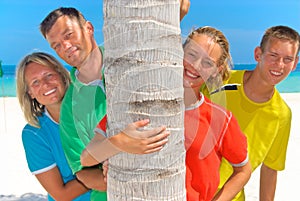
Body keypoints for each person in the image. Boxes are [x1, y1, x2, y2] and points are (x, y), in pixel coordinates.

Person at [39, 7, 170, 200]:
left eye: (69, 35)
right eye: (56, 45)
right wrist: (120, 177)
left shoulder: (128, 57)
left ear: (89, 28)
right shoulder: (69, 108)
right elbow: (81, 171)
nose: (65, 46)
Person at [208, 25, 299, 200]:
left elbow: (270, 169)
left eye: (288, 59)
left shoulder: (282, 114)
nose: (279, 65)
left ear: (295, 64)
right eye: (273, 55)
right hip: (185, 189)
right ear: (258, 54)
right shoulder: (221, 81)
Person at [16, 52, 105, 201]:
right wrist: (98, 178)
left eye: (49, 75)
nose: (45, 84)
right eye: (35, 82)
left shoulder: (94, 106)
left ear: (61, 75)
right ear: (30, 93)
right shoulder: (34, 133)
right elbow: (61, 194)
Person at [182, 26, 252, 201]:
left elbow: (243, 170)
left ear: (217, 70)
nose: (195, 66)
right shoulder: (147, 104)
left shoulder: (221, 119)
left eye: (207, 63)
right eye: (192, 54)